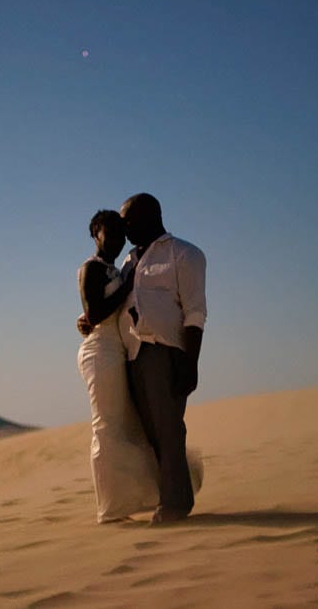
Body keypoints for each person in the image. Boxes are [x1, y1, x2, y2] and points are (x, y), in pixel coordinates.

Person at [117, 193, 206, 524]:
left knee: (168, 429)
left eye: (129, 220)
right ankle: (174, 488)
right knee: (148, 432)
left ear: (150, 216)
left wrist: (190, 361)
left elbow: (196, 312)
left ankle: (176, 504)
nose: (124, 228)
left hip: (164, 350)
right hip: (132, 354)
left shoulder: (183, 253)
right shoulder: (128, 261)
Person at [76, 210, 160, 523]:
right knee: (106, 427)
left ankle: (135, 499)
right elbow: (94, 314)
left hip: (120, 352)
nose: (115, 240)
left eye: (119, 234)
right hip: (100, 352)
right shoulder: (91, 268)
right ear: (95, 234)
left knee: (127, 425)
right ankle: (109, 509)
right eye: (107, 233)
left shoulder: (117, 269)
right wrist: (125, 288)